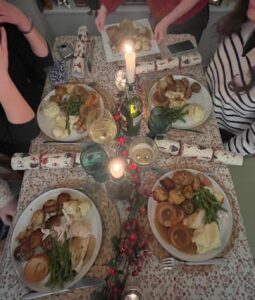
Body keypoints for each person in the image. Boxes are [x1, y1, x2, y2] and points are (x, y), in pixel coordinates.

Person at [0, 0, 53, 156]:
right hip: (27, 146)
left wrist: (23, 22)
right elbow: (28, 133)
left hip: (44, 105)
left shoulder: (5, 29)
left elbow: (45, 64)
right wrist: (2, 78)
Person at [206, 0, 255, 156]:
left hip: (225, 139)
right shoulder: (246, 21)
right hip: (201, 110)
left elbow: (251, 140)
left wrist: (219, 154)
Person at [95, 0, 209, 44]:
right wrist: (105, 7)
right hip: (160, 13)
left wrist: (166, 21)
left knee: (181, 64)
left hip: (188, 17)